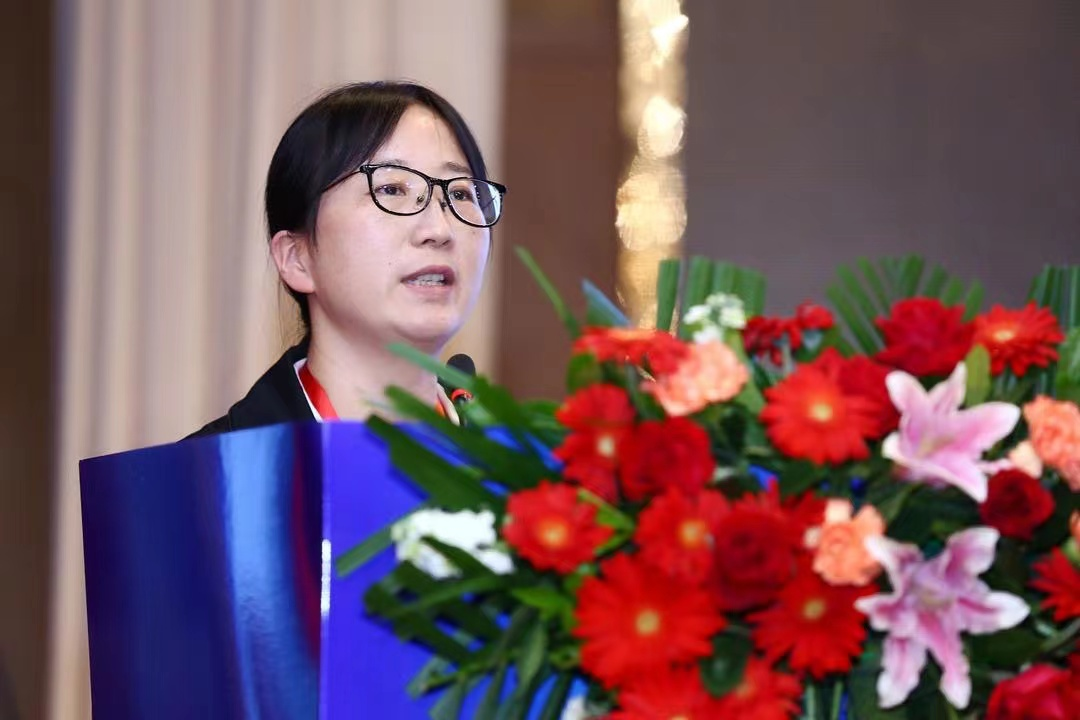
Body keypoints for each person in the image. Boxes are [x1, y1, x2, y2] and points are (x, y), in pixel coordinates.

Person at [191, 81, 505, 437]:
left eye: (460, 193)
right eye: (391, 189)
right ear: (297, 258)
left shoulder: (523, 468)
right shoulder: (210, 468)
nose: (439, 229)